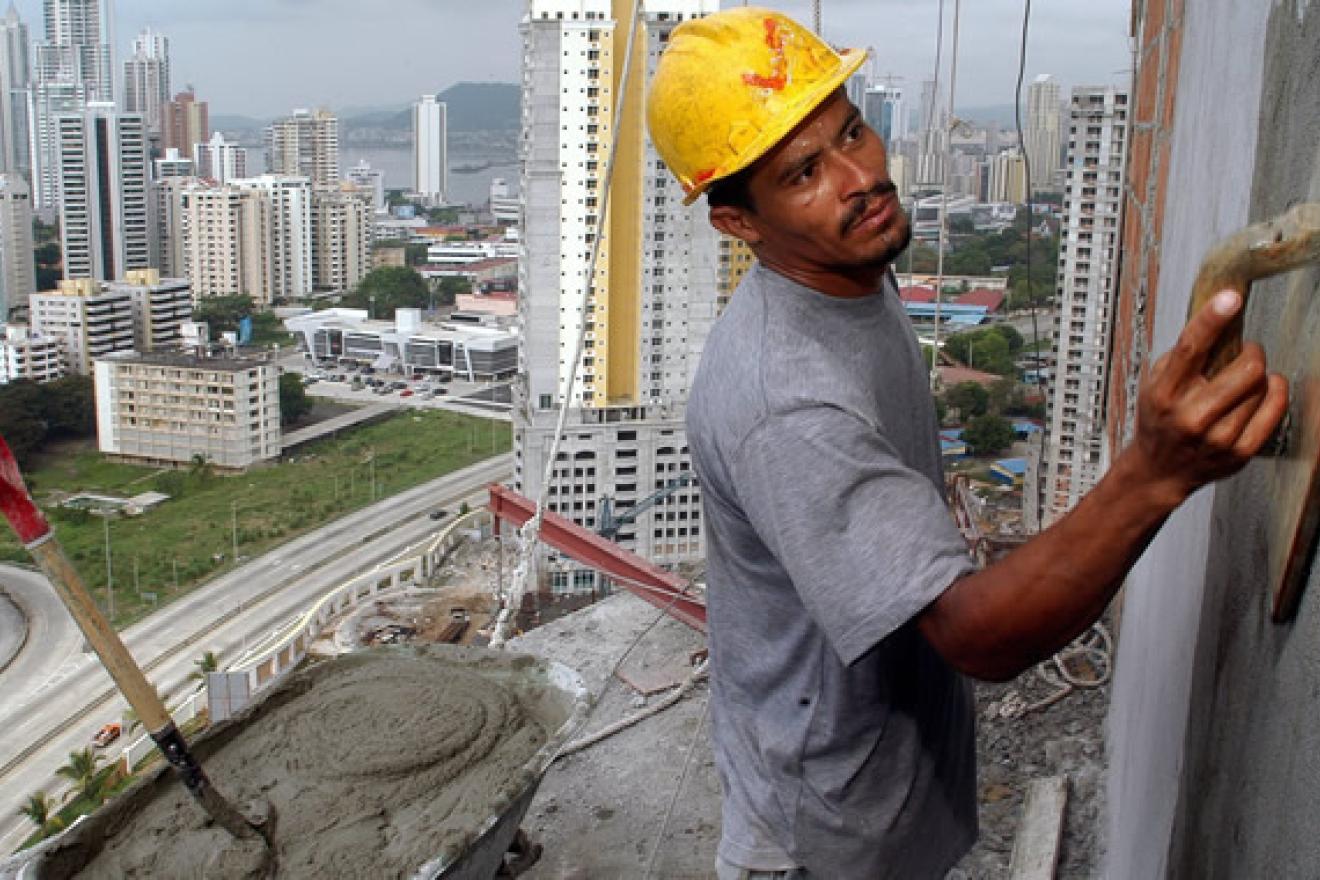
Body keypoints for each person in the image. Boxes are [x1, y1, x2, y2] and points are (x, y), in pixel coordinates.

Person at [644, 7, 1289, 879]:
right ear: (740, 225)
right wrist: (1155, 471)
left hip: (882, 776)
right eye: (803, 172)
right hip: (822, 837)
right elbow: (976, 637)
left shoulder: (849, 272)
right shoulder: (785, 403)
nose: (860, 176)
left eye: (852, 132)